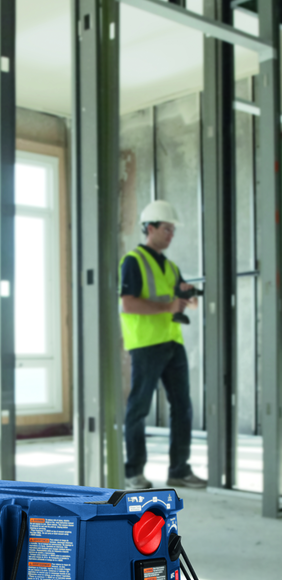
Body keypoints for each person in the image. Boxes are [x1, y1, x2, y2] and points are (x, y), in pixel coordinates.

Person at [119, 200, 207, 490]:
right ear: (150, 228)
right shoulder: (133, 261)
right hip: (146, 344)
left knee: (183, 407)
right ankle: (133, 472)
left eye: (173, 230)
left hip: (172, 342)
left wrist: (187, 296)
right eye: (167, 229)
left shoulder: (170, 267)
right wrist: (169, 306)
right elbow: (128, 304)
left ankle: (179, 470)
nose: (171, 234)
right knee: (139, 409)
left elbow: (187, 303)